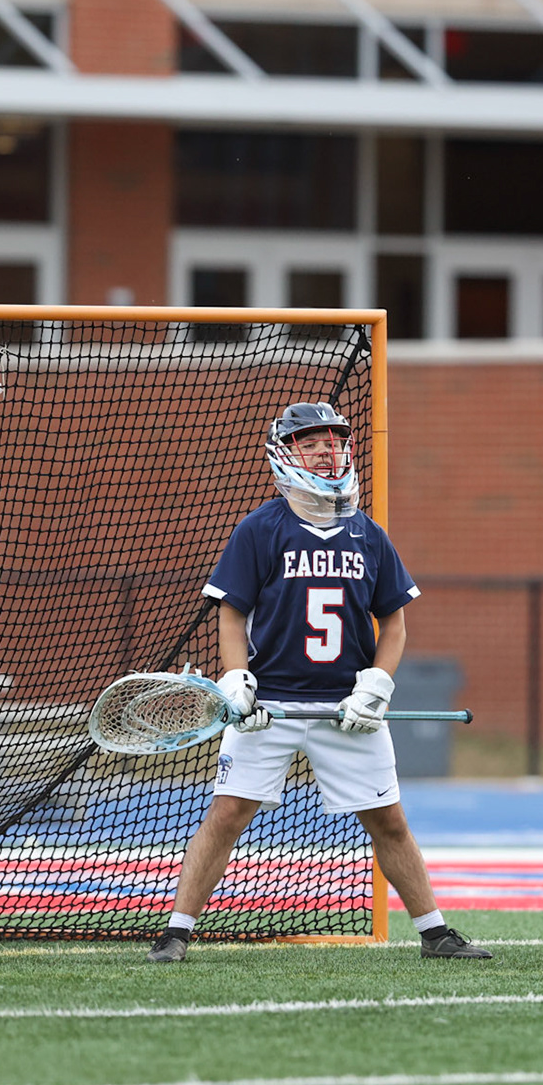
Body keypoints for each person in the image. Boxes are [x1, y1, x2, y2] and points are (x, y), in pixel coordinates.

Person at [146, 401, 488, 963]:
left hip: (344, 707)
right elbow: (231, 614)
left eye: (334, 440)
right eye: (312, 441)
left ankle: (435, 933)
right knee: (228, 812)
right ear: (285, 452)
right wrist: (236, 681)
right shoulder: (261, 529)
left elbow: (393, 621)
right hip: (269, 706)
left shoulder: (368, 536)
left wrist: (376, 684)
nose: (328, 449)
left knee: (389, 819)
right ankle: (176, 932)